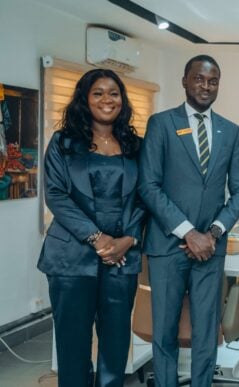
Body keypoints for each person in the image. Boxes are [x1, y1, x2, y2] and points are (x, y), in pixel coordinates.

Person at [138, 55, 239, 386]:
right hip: (168, 246)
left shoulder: (229, 131)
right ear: (184, 80)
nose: (205, 86)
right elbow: (149, 185)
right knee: (165, 330)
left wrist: (212, 233)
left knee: (205, 331)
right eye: (199, 79)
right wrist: (189, 233)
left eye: (212, 81)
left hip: (210, 250)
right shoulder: (161, 124)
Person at [38, 68, 144, 387]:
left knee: (115, 347)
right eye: (98, 92)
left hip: (121, 260)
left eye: (113, 93)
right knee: (72, 346)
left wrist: (128, 239)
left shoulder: (137, 146)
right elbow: (56, 195)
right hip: (71, 259)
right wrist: (97, 239)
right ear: (85, 99)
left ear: (122, 100)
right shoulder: (63, 143)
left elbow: (146, 196)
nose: (106, 99)